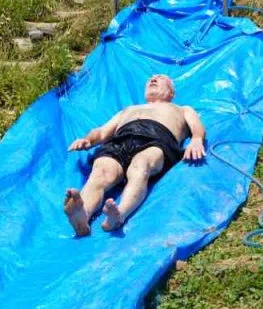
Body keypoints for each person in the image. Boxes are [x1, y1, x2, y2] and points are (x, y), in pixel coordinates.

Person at [63, 74, 206, 235]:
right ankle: (82, 216)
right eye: (150, 79)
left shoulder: (182, 109)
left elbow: (197, 126)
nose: (153, 79)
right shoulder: (128, 110)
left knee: (140, 165)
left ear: (171, 93)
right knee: (101, 172)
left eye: (160, 78)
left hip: (156, 139)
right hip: (120, 140)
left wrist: (197, 139)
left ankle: (119, 214)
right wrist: (88, 140)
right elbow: (102, 132)